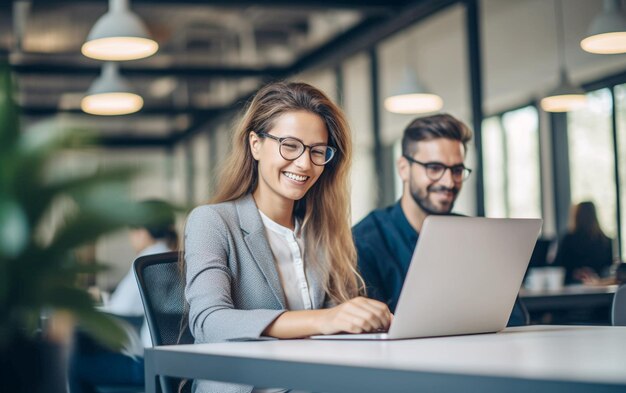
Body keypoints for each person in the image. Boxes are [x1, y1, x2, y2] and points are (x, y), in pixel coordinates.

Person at [184, 82, 392, 393]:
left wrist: (361, 319)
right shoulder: (213, 221)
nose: (305, 164)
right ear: (255, 144)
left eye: (317, 151)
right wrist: (324, 320)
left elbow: (336, 323)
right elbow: (209, 323)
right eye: (290, 145)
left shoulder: (319, 231)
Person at [352, 113, 528, 326]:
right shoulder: (364, 242)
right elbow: (371, 334)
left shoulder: (479, 237)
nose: (449, 182)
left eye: (457, 170)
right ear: (404, 169)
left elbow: (515, 319)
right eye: (434, 168)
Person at [69, 201, 178, 393]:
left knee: (74, 364)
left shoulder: (146, 261)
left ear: (142, 232)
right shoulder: (173, 258)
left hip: (145, 363)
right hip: (173, 364)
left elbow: (121, 308)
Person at [553, 201, 613, 285]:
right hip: (600, 287)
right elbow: (609, 268)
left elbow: (559, 266)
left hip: (573, 287)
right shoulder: (606, 241)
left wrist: (576, 273)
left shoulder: (569, 240)